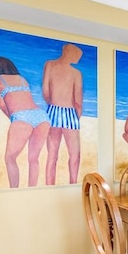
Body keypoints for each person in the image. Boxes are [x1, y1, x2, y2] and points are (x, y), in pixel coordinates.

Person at [0, 56, 50, 188]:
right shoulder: (22, 79)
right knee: (33, 159)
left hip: (21, 116)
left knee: (10, 158)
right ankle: (32, 189)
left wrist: (13, 118)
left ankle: (14, 190)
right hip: (41, 116)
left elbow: (1, 103)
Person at [42, 43, 83, 185]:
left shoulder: (49, 65)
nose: (79, 58)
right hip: (69, 113)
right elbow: (77, 100)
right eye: (78, 55)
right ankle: (73, 183)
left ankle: (49, 186)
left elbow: (46, 91)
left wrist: (53, 104)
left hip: (53, 111)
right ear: (71, 54)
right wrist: (77, 115)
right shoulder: (76, 73)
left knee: (52, 154)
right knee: (75, 154)